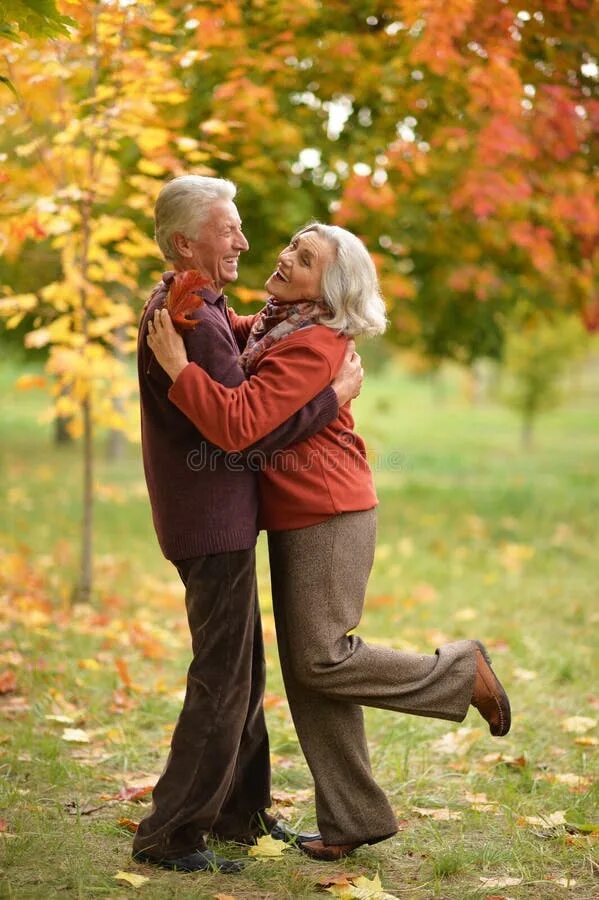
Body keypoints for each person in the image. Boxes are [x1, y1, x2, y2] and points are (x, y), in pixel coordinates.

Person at [147, 221, 512, 863]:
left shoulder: (315, 342)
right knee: (314, 673)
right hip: (295, 512)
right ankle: (352, 818)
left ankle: (460, 672)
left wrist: (178, 369)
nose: (285, 256)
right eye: (291, 245)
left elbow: (242, 422)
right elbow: (232, 342)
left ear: (330, 287)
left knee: (322, 660)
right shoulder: (275, 325)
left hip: (329, 510)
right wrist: (189, 299)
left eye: (305, 258)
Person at [134, 178, 363, 874]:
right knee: (223, 680)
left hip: (211, 516)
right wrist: (329, 398)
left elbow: (240, 347)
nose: (243, 240)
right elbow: (238, 429)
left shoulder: (195, 305)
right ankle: (170, 833)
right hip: (211, 521)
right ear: (186, 243)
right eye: (228, 229)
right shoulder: (190, 319)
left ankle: (241, 812)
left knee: (240, 670)